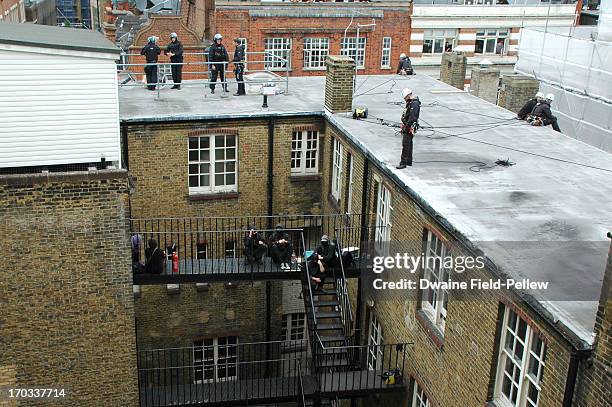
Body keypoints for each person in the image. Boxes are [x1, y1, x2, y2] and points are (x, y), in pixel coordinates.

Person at [397, 88, 421, 169]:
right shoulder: (410, 103)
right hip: (407, 125)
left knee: (406, 144)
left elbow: (412, 117)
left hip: (409, 126)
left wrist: (406, 127)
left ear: (408, 96)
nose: (405, 100)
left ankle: (403, 163)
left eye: (405, 98)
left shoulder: (414, 104)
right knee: (409, 144)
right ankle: (408, 161)